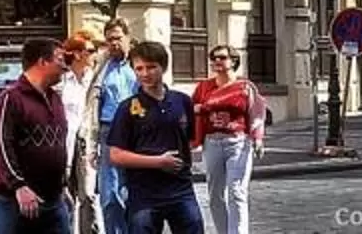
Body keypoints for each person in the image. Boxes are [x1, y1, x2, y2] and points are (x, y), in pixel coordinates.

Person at [107, 42, 198, 234]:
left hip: (180, 189)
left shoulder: (182, 101)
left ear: (163, 67)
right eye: (139, 68)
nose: (145, 74)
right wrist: (157, 162)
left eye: (151, 67)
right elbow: (115, 155)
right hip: (143, 194)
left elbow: (189, 140)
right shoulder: (127, 108)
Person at [0, 34, 71, 234]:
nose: (65, 67)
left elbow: (60, 144)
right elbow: (0, 144)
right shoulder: (11, 98)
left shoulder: (55, 99)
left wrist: (63, 184)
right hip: (14, 200)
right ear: (42, 62)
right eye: (60, 60)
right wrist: (18, 186)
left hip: (53, 198)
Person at [190, 45, 264, 234]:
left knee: (236, 192)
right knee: (215, 194)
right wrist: (197, 111)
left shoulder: (245, 87)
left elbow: (256, 113)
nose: (217, 61)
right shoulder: (204, 87)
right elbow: (191, 108)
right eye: (214, 58)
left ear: (233, 61)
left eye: (222, 58)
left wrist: (257, 139)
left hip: (237, 143)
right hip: (212, 142)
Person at [90, 23, 138, 234]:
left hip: (137, 130)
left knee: (137, 190)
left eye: (118, 38)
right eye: (110, 39)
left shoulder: (139, 64)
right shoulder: (101, 66)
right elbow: (90, 104)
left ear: (128, 37)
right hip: (108, 130)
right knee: (111, 193)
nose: (114, 43)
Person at [54, 35, 99, 226]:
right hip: (64, 142)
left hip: (86, 141)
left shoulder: (95, 78)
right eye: (89, 50)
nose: (93, 54)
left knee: (88, 194)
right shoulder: (61, 80)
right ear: (78, 54)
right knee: (65, 195)